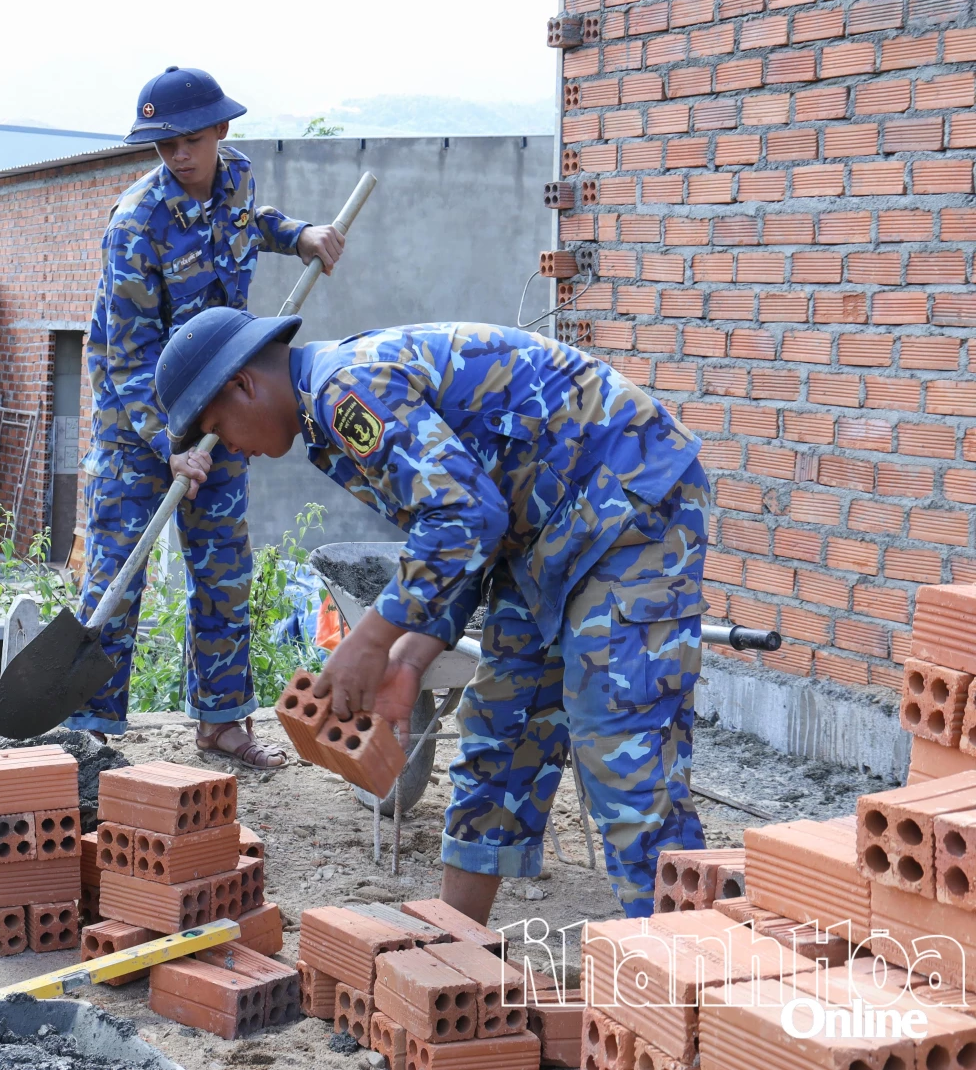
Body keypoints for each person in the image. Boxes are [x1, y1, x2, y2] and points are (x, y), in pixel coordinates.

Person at [154, 307, 709, 918]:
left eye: (215, 428)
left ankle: (687, 989)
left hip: (627, 506)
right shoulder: (326, 412)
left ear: (243, 385)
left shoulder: (345, 392)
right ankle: (450, 959)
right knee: (499, 736)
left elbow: (465, 518)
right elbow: (469, 536)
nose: (230, 449)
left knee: (623, 756)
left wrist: (370, 637)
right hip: (543, 539)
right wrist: (411, 658)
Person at [70, 65, 344, 766]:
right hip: (138, 430)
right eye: (163, 147)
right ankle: (92, 730)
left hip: (220, 407)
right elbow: (126, 359)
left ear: (221, 131)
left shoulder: (238, 179)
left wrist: (301, 235)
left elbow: (251, 225)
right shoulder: (136, 225)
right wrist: (168, 443)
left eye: (188, 141)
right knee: (118, 574)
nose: (177, 156)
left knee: (224, 569)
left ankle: (222, 723)